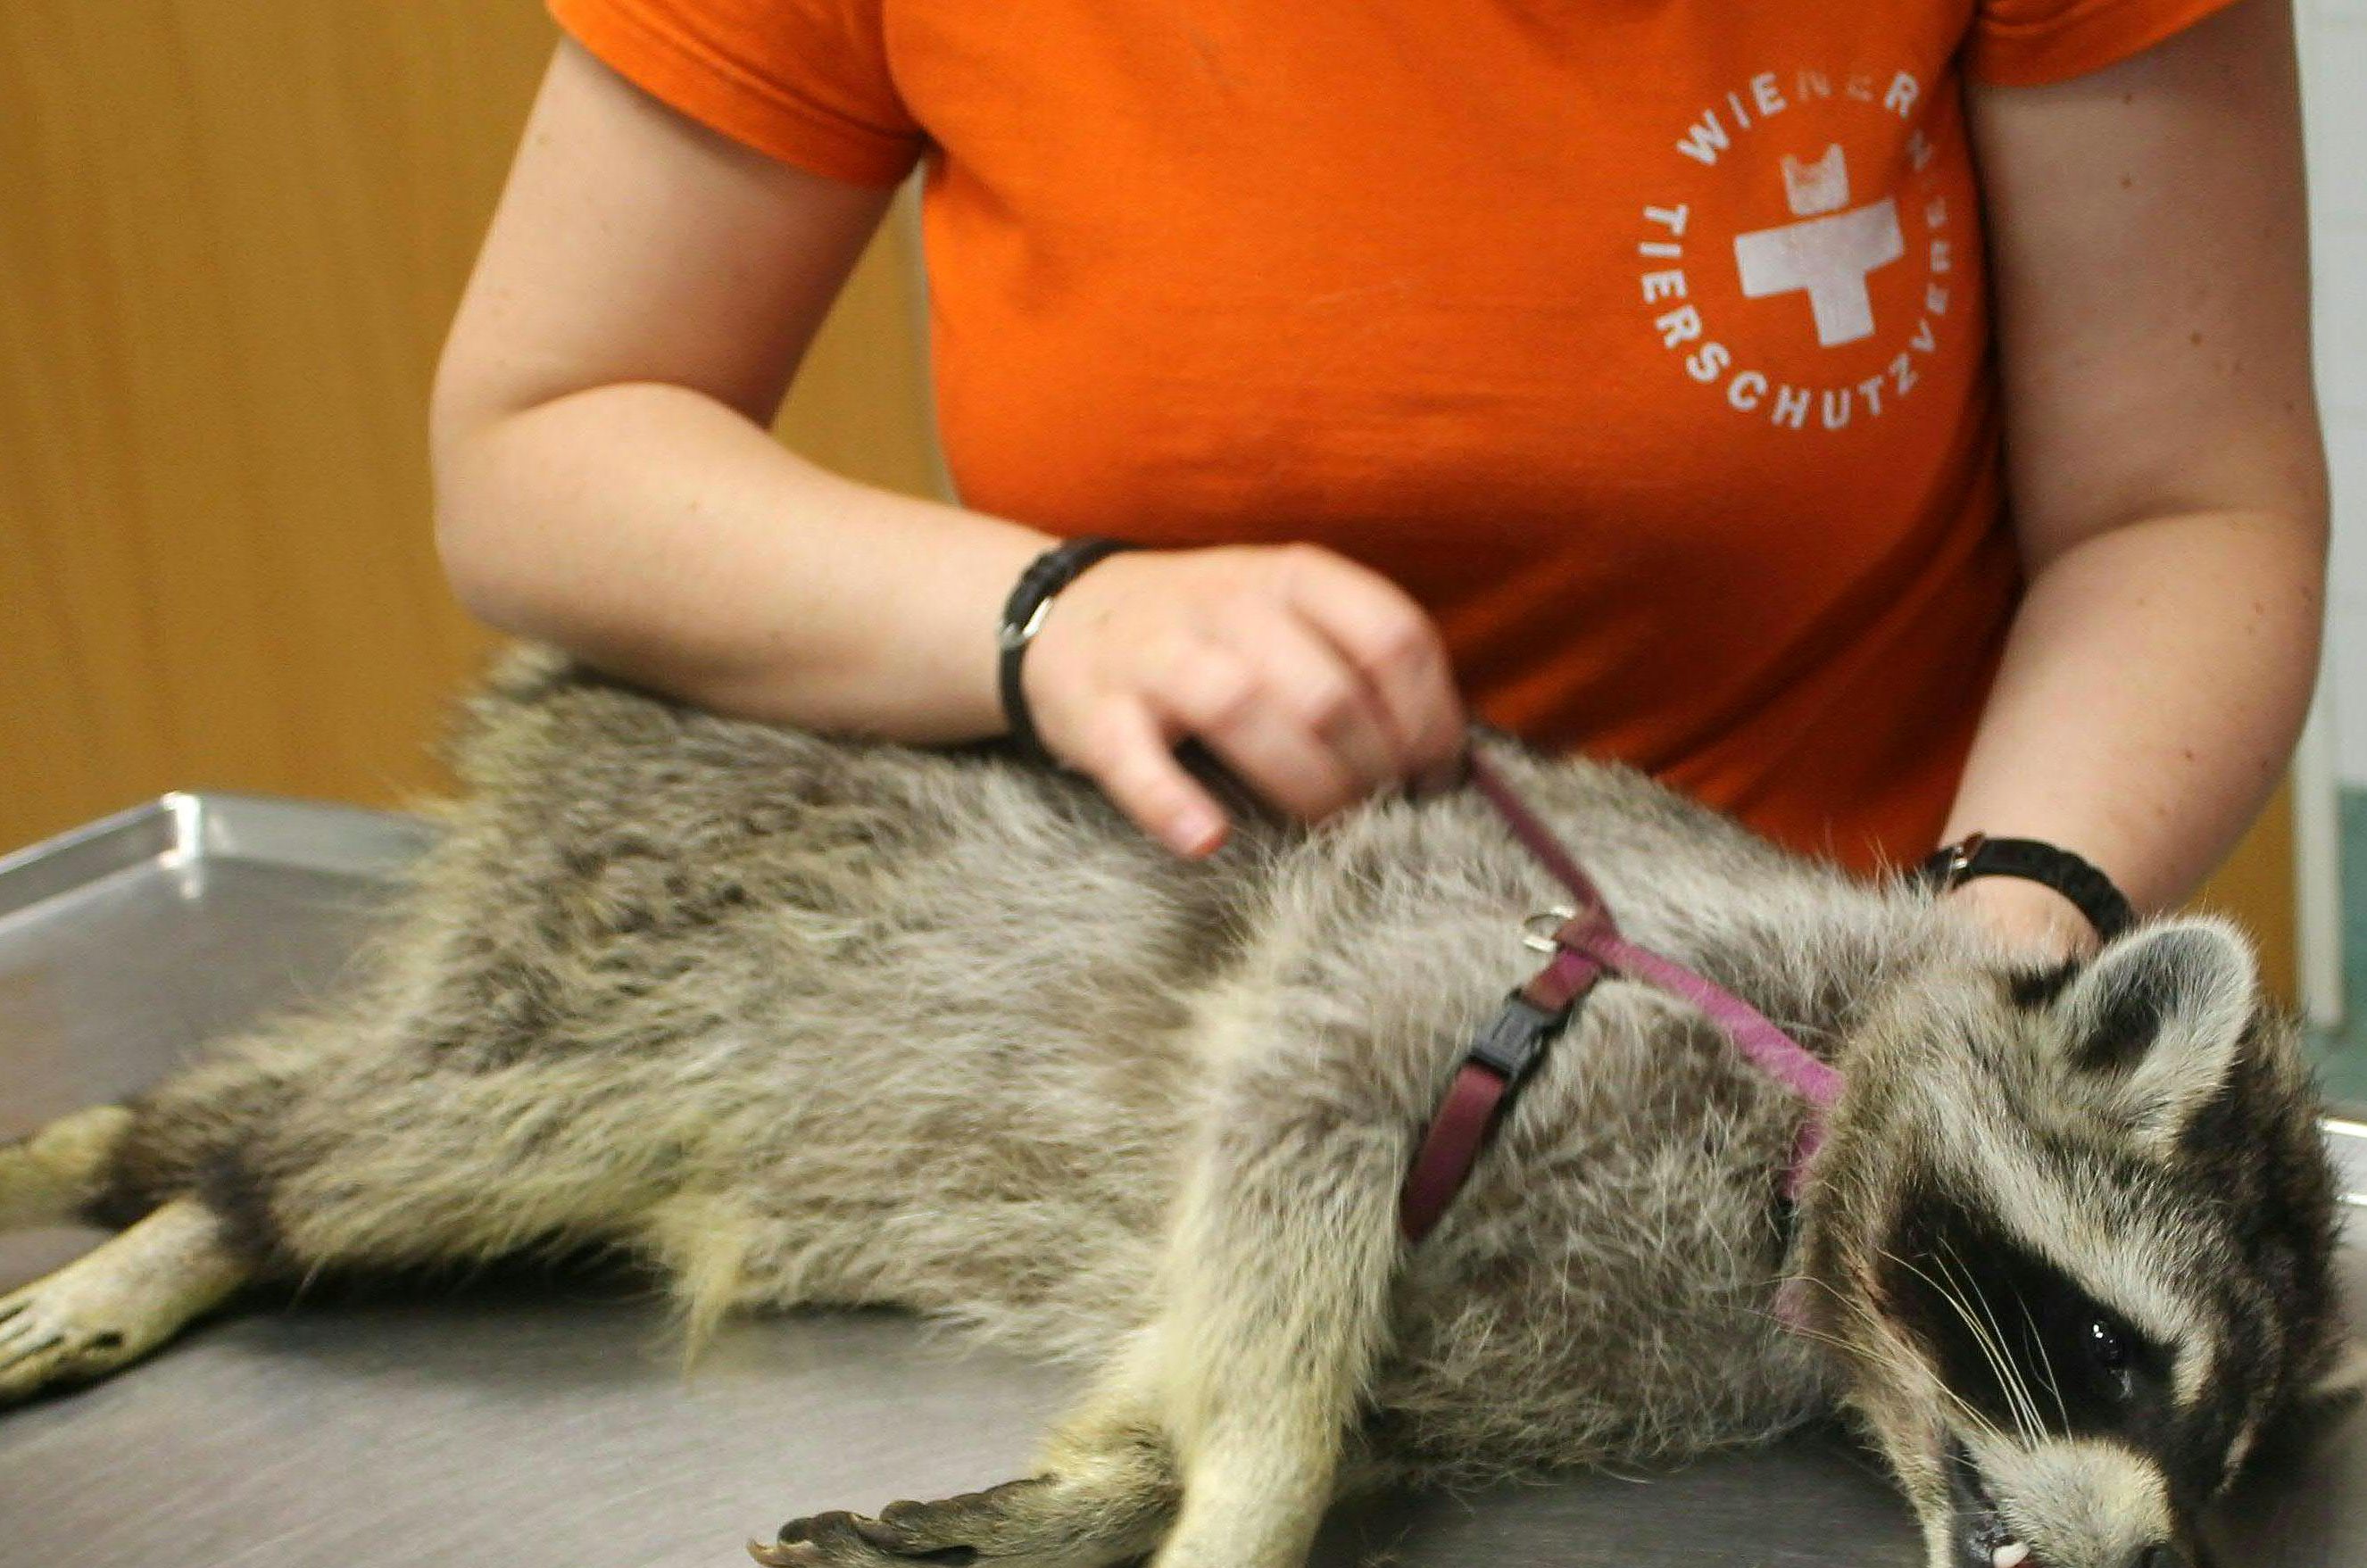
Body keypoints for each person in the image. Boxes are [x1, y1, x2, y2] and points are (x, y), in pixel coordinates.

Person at [429, 0, 2326, 958]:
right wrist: (1052, 617)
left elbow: (2181, 506)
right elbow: (543, 441)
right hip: (1193, 1006)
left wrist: (1975, 956)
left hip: (1845, 970)